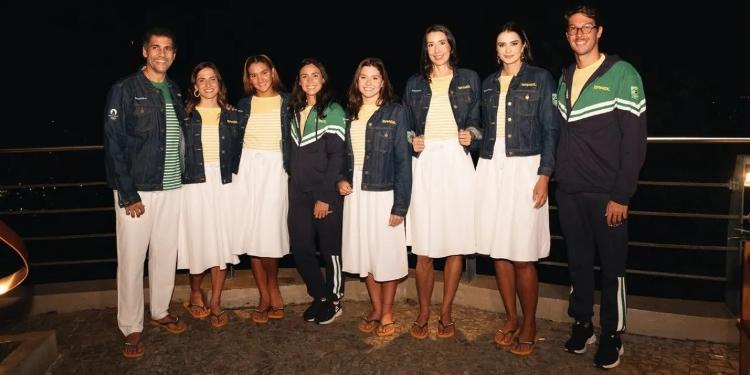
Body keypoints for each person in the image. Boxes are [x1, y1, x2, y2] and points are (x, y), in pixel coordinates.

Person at [555, 5, 647, 369]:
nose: (580, 34)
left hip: (607, 194)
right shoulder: (564, 78)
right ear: (567, 35)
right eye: (573, 29)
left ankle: (612, 334)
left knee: (612, 267)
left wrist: (621, 194)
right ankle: (583, 324)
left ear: (599, 31)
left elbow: (634, 141)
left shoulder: (622, 74)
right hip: (570, 191)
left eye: (586, 27)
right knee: (577, 263)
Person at [475, 22, 560, 356]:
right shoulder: (487, 84)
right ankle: (511, 318)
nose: (507, 49)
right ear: (496, 50)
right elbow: (486, 129)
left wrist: (544, 174)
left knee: (523, 254)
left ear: (523, 46)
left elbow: (551, 129)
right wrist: (470, 135)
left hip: (525, 168)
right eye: (501, 44)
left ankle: (530, 323)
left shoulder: (540, 79)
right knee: (499, 250)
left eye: (513, 43)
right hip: (491, 169)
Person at [103, 26, 187, 359]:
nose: (162, 54)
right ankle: (131, 325)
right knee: (132, 260)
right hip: (137, 190)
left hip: (171, 187)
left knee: (166, 254)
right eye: (156, 48)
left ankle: (160, 310)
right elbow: (113, 144)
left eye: (168, 49)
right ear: (144, 52)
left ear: (174, 54)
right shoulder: (123, 89)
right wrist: (128, 193)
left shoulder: (174, 89)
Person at [402, 24, 481, 339]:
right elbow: (406, 126)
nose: (436, 49)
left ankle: (446, 311)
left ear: (451, 45)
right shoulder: (414, 84)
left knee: (455, 244)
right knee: (424, 246)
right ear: (426, 49)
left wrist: (471, 135)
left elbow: (478, 122)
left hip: (457, 162)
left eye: (441, 43)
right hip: (425, 164)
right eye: (430, 44)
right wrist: (412, 140)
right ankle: (424, 310)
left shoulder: (469, 79)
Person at [338, 58, 412, 337]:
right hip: (356, 193)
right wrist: (342, 179)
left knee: (386, 255)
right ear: (357, 82)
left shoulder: (396, 112)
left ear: (383, 82)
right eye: (363, 77)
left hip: (383, 193)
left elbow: (404, 162)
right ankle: (377, 308)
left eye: (374, 78)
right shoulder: (351, 114)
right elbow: (347, 158)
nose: (368, 83)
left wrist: (400, 205)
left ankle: (388, 312)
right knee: (366, 253)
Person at [177, 61, 244, 328]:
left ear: (219, 83)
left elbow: (242, 151)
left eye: (212, 79)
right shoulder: (185, 116)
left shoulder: (232, 115)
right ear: (195, 87)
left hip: (224, 184)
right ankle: (195, 291)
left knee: (221, 242)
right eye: (201, 80)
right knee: (197, 242)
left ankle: (216, 301)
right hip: (193, 184)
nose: (207, 84)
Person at [284, 58, 346, 324]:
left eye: (315, 75)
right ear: (299, 81)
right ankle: (319, 295)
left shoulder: (333, 110)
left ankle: (334, 299)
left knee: (330, 248)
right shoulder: (293, 110)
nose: (310, 80)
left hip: (324, 192)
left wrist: (325, 196)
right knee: (300, 246)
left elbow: (337, 156)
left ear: (323, 79)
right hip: (297, 191)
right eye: (304, 76)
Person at [232, 55, 290, 323]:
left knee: (271, 232)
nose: (259, 79)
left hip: (276, 168)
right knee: (252, 232)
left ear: (273, 72)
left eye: (263, 73)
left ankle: (274, 286)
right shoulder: (243, 105)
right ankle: (264, 295)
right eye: (253, 75)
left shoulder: (289, 102)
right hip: (248, 169)